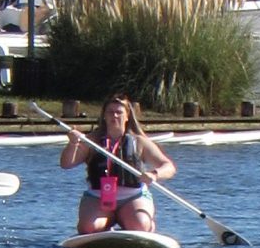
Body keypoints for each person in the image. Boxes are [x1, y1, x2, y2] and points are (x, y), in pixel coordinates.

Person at [58, 93, 177, 233]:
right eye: (110, 112)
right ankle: (107, 222)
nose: (114, 116)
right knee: (87, 228)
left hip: (132, 197)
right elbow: (66, 164)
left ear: (127, 117)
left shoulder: (139, 142)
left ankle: (139, 222)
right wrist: (72, 144)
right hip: (98, 197)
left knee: (140, 226)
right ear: (104, 116)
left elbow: (169, 167)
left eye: (119, 112)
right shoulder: (90, 142)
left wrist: (155, 174)